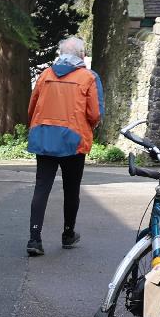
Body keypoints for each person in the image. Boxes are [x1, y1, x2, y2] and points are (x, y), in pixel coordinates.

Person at [25, 35, 102, 257]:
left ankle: (35, 238)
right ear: (81, 55)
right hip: (73, 140)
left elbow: (32, 107)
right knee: (71, 189)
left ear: (60, 54)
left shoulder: (45, 75)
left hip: (45, 137)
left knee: (42, 187)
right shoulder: (87, 78)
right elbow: (94, 114)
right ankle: (68, 234)